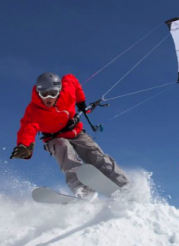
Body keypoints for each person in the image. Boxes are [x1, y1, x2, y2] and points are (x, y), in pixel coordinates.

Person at [10, 72, 129, 200]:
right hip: (54, 138)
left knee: (95, 155)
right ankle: (82, 189)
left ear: (59, 91)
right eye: (44, 94)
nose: (48, 98)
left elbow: (71, 79)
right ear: (38, 93)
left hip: (75, 132)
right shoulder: (34, 110)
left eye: (53, 93)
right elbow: (27, 128)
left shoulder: (67, 92)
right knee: (63, 148)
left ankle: (123, 186)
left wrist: (81, 101)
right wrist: (24, 145)